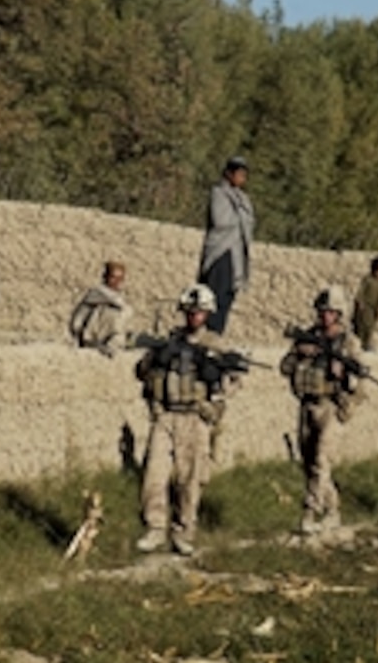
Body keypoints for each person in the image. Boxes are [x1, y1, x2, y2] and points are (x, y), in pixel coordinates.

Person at [134, 284, 235, 556]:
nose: (194, 317)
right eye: (190, 312)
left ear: (208, 314)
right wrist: (157, 358)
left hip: (195, 417)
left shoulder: (214, 345)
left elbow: (231, 382)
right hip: (166, 415)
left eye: (199, 312)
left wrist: (213, 375)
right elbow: (142, 371)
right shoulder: (170, 341)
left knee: (189, 480)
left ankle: (184, 531)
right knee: (154, 473)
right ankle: (155, 528)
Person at [279, 285, 366, 535]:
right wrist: (299, 353)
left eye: (329, 311)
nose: (323, 315)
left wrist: (343, 375)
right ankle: (332, 511)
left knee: (321, 461)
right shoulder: (308, 337)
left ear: (338, 314)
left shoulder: (348, 343)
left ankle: (310, 512)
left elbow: (358, 380)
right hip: (307, 405)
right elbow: (285, 367)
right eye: (321, 311)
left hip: (331, 406)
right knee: (309, 464)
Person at [198, 156, 255, 334]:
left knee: (226, 297)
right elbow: (221, 220)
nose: (241, 179)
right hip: (221, 252)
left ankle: (217, 334)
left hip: (236, 254)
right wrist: (239, 218)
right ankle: (206, 332)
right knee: (213, 296)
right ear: (229, 174)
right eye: (239, 174)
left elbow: (250, 221)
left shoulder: (242, 198)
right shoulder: (219, 193)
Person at [69, 261, 133, 357]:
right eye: (113, 277)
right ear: (105, 277)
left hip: (103, 335)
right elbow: (122, 306)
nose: (117, 282)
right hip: (87, 334)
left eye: (120, 279)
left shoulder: (116, 295)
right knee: (114, 311)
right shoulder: (99, 292)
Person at [352, 256, 378, 351]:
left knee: (369, 331)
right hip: (365, 310)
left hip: (372, 311)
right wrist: (360, 308)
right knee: (361, 332)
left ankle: (366, 347)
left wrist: (377, 310)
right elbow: (359, 295)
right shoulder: (367, 280)